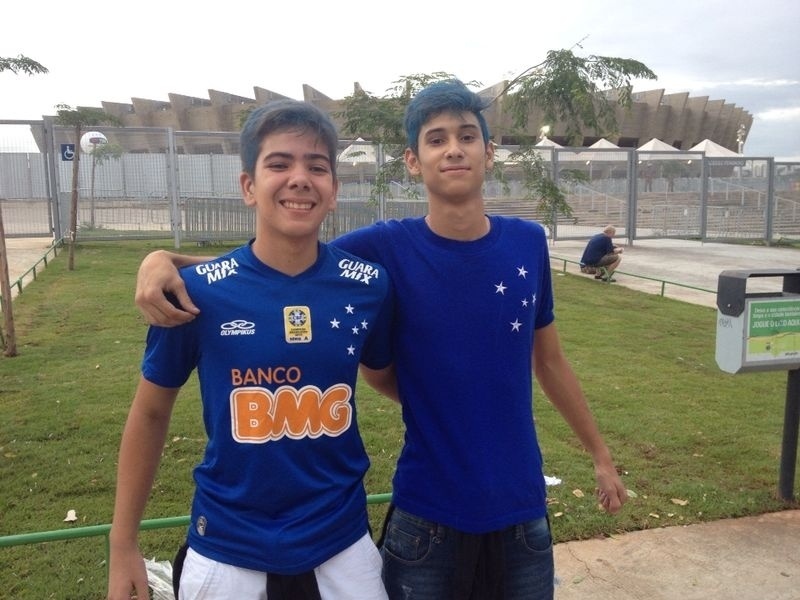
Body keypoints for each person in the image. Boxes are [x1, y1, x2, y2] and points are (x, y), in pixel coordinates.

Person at [134, 80, 628, 600]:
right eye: (437, 139)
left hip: (522, 510)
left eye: (467, 136)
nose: (454, 148)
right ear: (413, 161)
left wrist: (599, 454)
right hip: (425, 517)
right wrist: (166, 262)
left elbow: (550, 361)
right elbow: (275, 262)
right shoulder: (386, 247)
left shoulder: (527, 244)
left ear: (491, 152)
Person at [107, 100, 392, 600]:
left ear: (334, 191)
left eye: (317, 166)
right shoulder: (193, 294)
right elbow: (150, 415)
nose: (300, 178)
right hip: (227, 549)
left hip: (342, 544)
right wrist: (123, 542)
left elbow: (389, 375)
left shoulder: (367, 286)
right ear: (248, 187)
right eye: (279, 164)